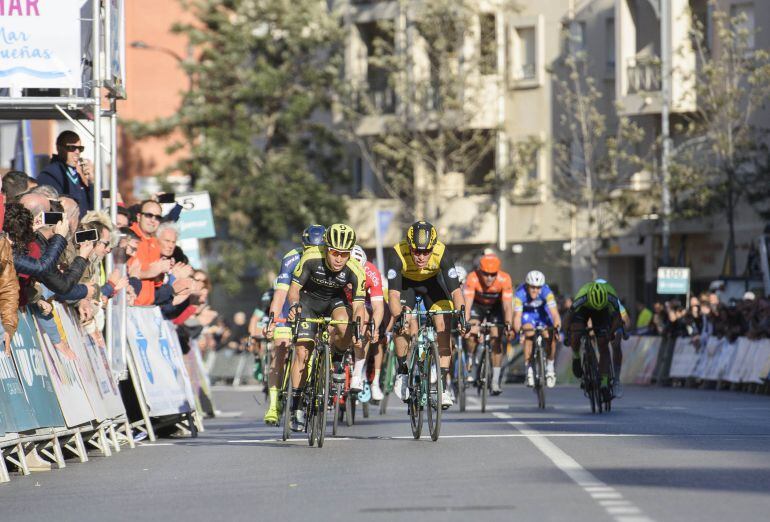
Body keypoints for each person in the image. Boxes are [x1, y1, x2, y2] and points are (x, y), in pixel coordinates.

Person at [285, 223, 366, 431]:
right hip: (308, 302)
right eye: (335, 253)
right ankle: (296, 407)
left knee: (346, 323)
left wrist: (359, 326)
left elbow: (358, 306)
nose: (339, 259)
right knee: (302, 352)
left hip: (333, 302)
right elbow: (294, 290)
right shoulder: (311, 257)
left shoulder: (355, 268)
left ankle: (337, 358)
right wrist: (294, 305)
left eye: (344, 254)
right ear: (326, 248)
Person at [386, 221, 466, 409]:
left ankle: (442, 386)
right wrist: (400, 316)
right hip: (406, 286)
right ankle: (403, 372)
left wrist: (462, 316)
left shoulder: (442, 252)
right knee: (402, 321)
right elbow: (393, 295)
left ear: (433, 247)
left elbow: (456, 292)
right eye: (416, 252)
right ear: (409, 246)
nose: (421, 257)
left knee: (444, 325)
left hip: (432, 285)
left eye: (426, 252)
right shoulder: (397, 253)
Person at [262, 224, 325, 425]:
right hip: (288, 307)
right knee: (280, 348)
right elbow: (280, 294)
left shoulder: (328, 260)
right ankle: (274, 403)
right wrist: (273, 319)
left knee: (313, 347)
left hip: (313, 307)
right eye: (310, 250)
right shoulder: (291, 258)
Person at [463, 253, 513, 395]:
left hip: (496, 308)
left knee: (496, 338)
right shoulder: (472, 277)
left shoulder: (505, 279)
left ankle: (495, 381)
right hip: (477, 306)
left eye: (493, 274)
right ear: (480, 271)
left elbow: (508, 306)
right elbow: (467, 305)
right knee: (472, 331)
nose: (489, 278)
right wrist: (466, 324)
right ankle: (471, 362)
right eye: (486, 274)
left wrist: (508, 324)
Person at [563, 280, 624, 397]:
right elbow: (567, 317)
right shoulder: (582, 296)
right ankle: (576, 356)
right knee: (576, 333)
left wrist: (610, 333)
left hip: (602, 313)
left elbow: (617, 319)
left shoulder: (611, 296)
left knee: (603, 345)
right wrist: (567, 335)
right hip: (583, 310)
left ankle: (604, 383)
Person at [513, 270, 562, 388]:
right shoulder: (520, 294)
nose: (535, 290)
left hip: (542, 314)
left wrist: (557, 328)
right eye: (532, 287)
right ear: (527, 286)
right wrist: (519, 331)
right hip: (527, 316)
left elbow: (555, 314)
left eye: (538, 287)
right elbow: (517, 317)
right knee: (528, 333)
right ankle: (529, 370)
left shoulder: (547, 292)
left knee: (550, 335)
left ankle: (550, 368)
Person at [348, 245, 385, 395]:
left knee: (367, 319)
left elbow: (378, 307)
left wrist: (374, 328)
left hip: (363, 301)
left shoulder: (371, 272)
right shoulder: (337, 267)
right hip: (341, 300)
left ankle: (357, 373)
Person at [37, 131, 93, 217]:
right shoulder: (50, 174)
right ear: (59, 148)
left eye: (80, 148)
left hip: (85, 226)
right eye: (72, 148)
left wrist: (91, 182)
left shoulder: (80, 173)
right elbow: (56, 209)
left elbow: (96, 208)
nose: (77, 152)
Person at [129, 200, 171, 306]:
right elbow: (128, 273)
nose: (153, 220)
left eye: (157, 217)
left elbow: (156, 283)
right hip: (129, 305)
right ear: (139, 217)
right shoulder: (129, 237)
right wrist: (153, 271)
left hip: (147, 308)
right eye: (148, 215)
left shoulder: (156, 243)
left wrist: (164, 270)